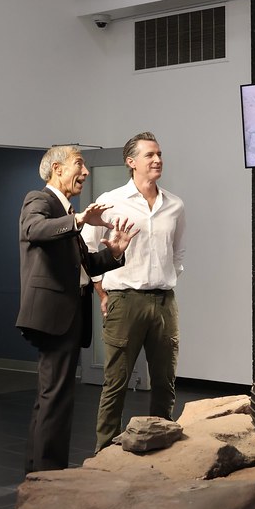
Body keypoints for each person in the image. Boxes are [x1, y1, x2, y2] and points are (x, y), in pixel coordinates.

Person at [17, 145, 138, 473]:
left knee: (53, 399)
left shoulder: (65, 210)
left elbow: (82, 267)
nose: (85, 172)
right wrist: (79, 219)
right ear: (57, 169)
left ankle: (41, 474)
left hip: (67, 316)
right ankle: (47, 477)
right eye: (79, 164)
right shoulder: (40, 200)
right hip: (54, 315)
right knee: (54, 399)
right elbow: (32, 230)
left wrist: (114, 253)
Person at [82, 132, 186, 452]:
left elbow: (177, 253)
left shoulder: (175, 205)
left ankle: (161, 443)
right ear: (131, 162)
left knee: (165, 382)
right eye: (150, 155)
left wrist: (168, 278)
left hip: (165, 302)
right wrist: (102, 293)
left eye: (159, 154)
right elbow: (86, 251)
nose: (157, 160)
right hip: (124, 301)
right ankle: (104, 453)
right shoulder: (110, 202)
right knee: (116, 383)